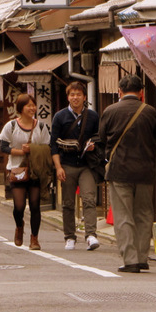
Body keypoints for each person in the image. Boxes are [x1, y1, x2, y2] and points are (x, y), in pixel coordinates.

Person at [98, 74, 156, 273]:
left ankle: (130, 259)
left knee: (123, 215)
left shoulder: (110, 111)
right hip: (145, 171)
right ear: (141, 92)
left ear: (119, 92)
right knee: (144, 214)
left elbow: (101, 138)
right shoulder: (150, 111)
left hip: (119, 171)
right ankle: (142, 258)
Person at [49, 81, 101, 251]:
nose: (75, 97)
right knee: (68, 202)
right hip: (67, 164)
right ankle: (69, 236)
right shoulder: (60, 116)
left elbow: (100, 138)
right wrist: (58, 167)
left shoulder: (93, 116)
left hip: (86, 164)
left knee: (89, 198)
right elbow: (53, 144)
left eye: (79, 94)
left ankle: (91, 235)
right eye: (72, 94)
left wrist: (93, 145)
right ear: (68, 97)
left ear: (84, 97)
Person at [0, 92, 52, 250]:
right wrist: (21, 152)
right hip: (17, 170)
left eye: (33, 105)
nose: (32, 108)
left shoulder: (41, 126)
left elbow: (47, 147)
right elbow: (3, 147)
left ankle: (34, 238)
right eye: (28, 105)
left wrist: (33, 149)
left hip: (36, 169)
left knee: (35, 205)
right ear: (21, 108)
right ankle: (19, 226)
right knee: (19, 206)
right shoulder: (12, 126)